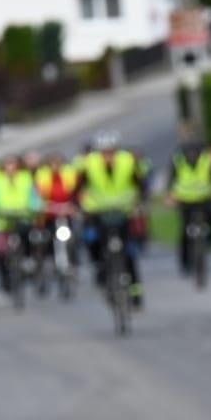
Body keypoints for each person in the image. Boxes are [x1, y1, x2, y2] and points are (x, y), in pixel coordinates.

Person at [74, 130, 147, 309]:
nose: (108, 156)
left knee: (128, 252)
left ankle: (135, 292)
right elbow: (78, 187)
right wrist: (79, 205)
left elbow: (139, 183)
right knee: (97, 245)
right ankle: (105, 281)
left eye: (111, 152)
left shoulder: (127, 161)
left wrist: (140, 203)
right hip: (98, 211)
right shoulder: (89, 163)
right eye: (104, 152)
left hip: (124, 210)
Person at [165, 134, 211, 276]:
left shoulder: (206, 160)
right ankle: (185, 263)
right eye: (189, 152)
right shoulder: (178, 161)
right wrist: (170, 195)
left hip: (204, 198)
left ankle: (210, 242)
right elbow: (171, 178)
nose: (192, 154)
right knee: (184, 231)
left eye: (195, 151)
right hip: (185, 200)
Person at [0, 154, 42, 290]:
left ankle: (28, 261)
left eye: (13, 164)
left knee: (29, 237)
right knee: (0, 251)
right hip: (3, 221)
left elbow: (34, 197)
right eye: (7, 164)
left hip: (22, 218)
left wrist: (35, 207)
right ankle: (5, 280)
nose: (10, 168)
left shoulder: (25, 178)